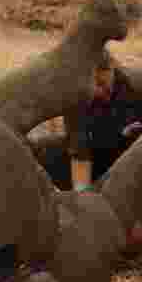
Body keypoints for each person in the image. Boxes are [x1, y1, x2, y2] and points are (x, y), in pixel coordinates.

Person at [31, 47, 142, 191]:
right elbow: (80, 154)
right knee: (39, 151)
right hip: (97, 155)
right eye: (91, 84)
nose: (97, 90)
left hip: (132, 159)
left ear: (112, 68)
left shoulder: (136, 84)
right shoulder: (76, 97)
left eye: (102, 83)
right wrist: (83, 202)